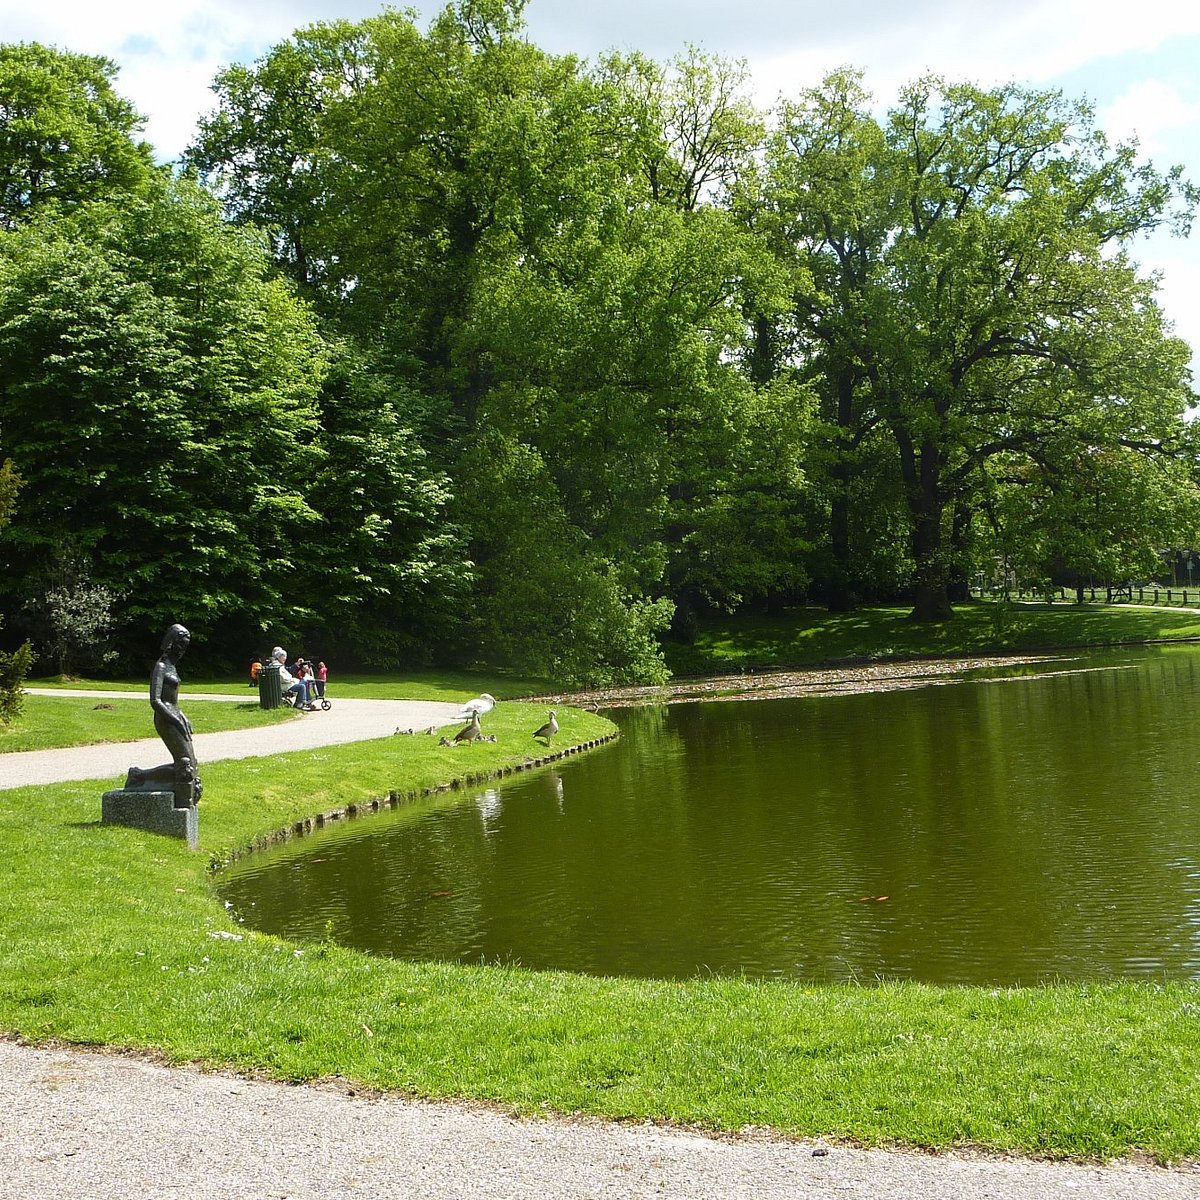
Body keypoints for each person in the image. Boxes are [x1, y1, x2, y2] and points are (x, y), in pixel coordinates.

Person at [126, 623, 202, 806]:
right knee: (185, 763)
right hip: (165, 718)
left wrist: (182, 716)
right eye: (180, 645)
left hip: (175, 716)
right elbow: (155, 700)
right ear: (172, 643)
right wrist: (174, 718)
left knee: (191, 763)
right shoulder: (161, 667)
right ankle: (141, 777)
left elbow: (174, 700)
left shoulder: (172, 667)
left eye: (185, 646)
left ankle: (140, 775)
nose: (182, 650)